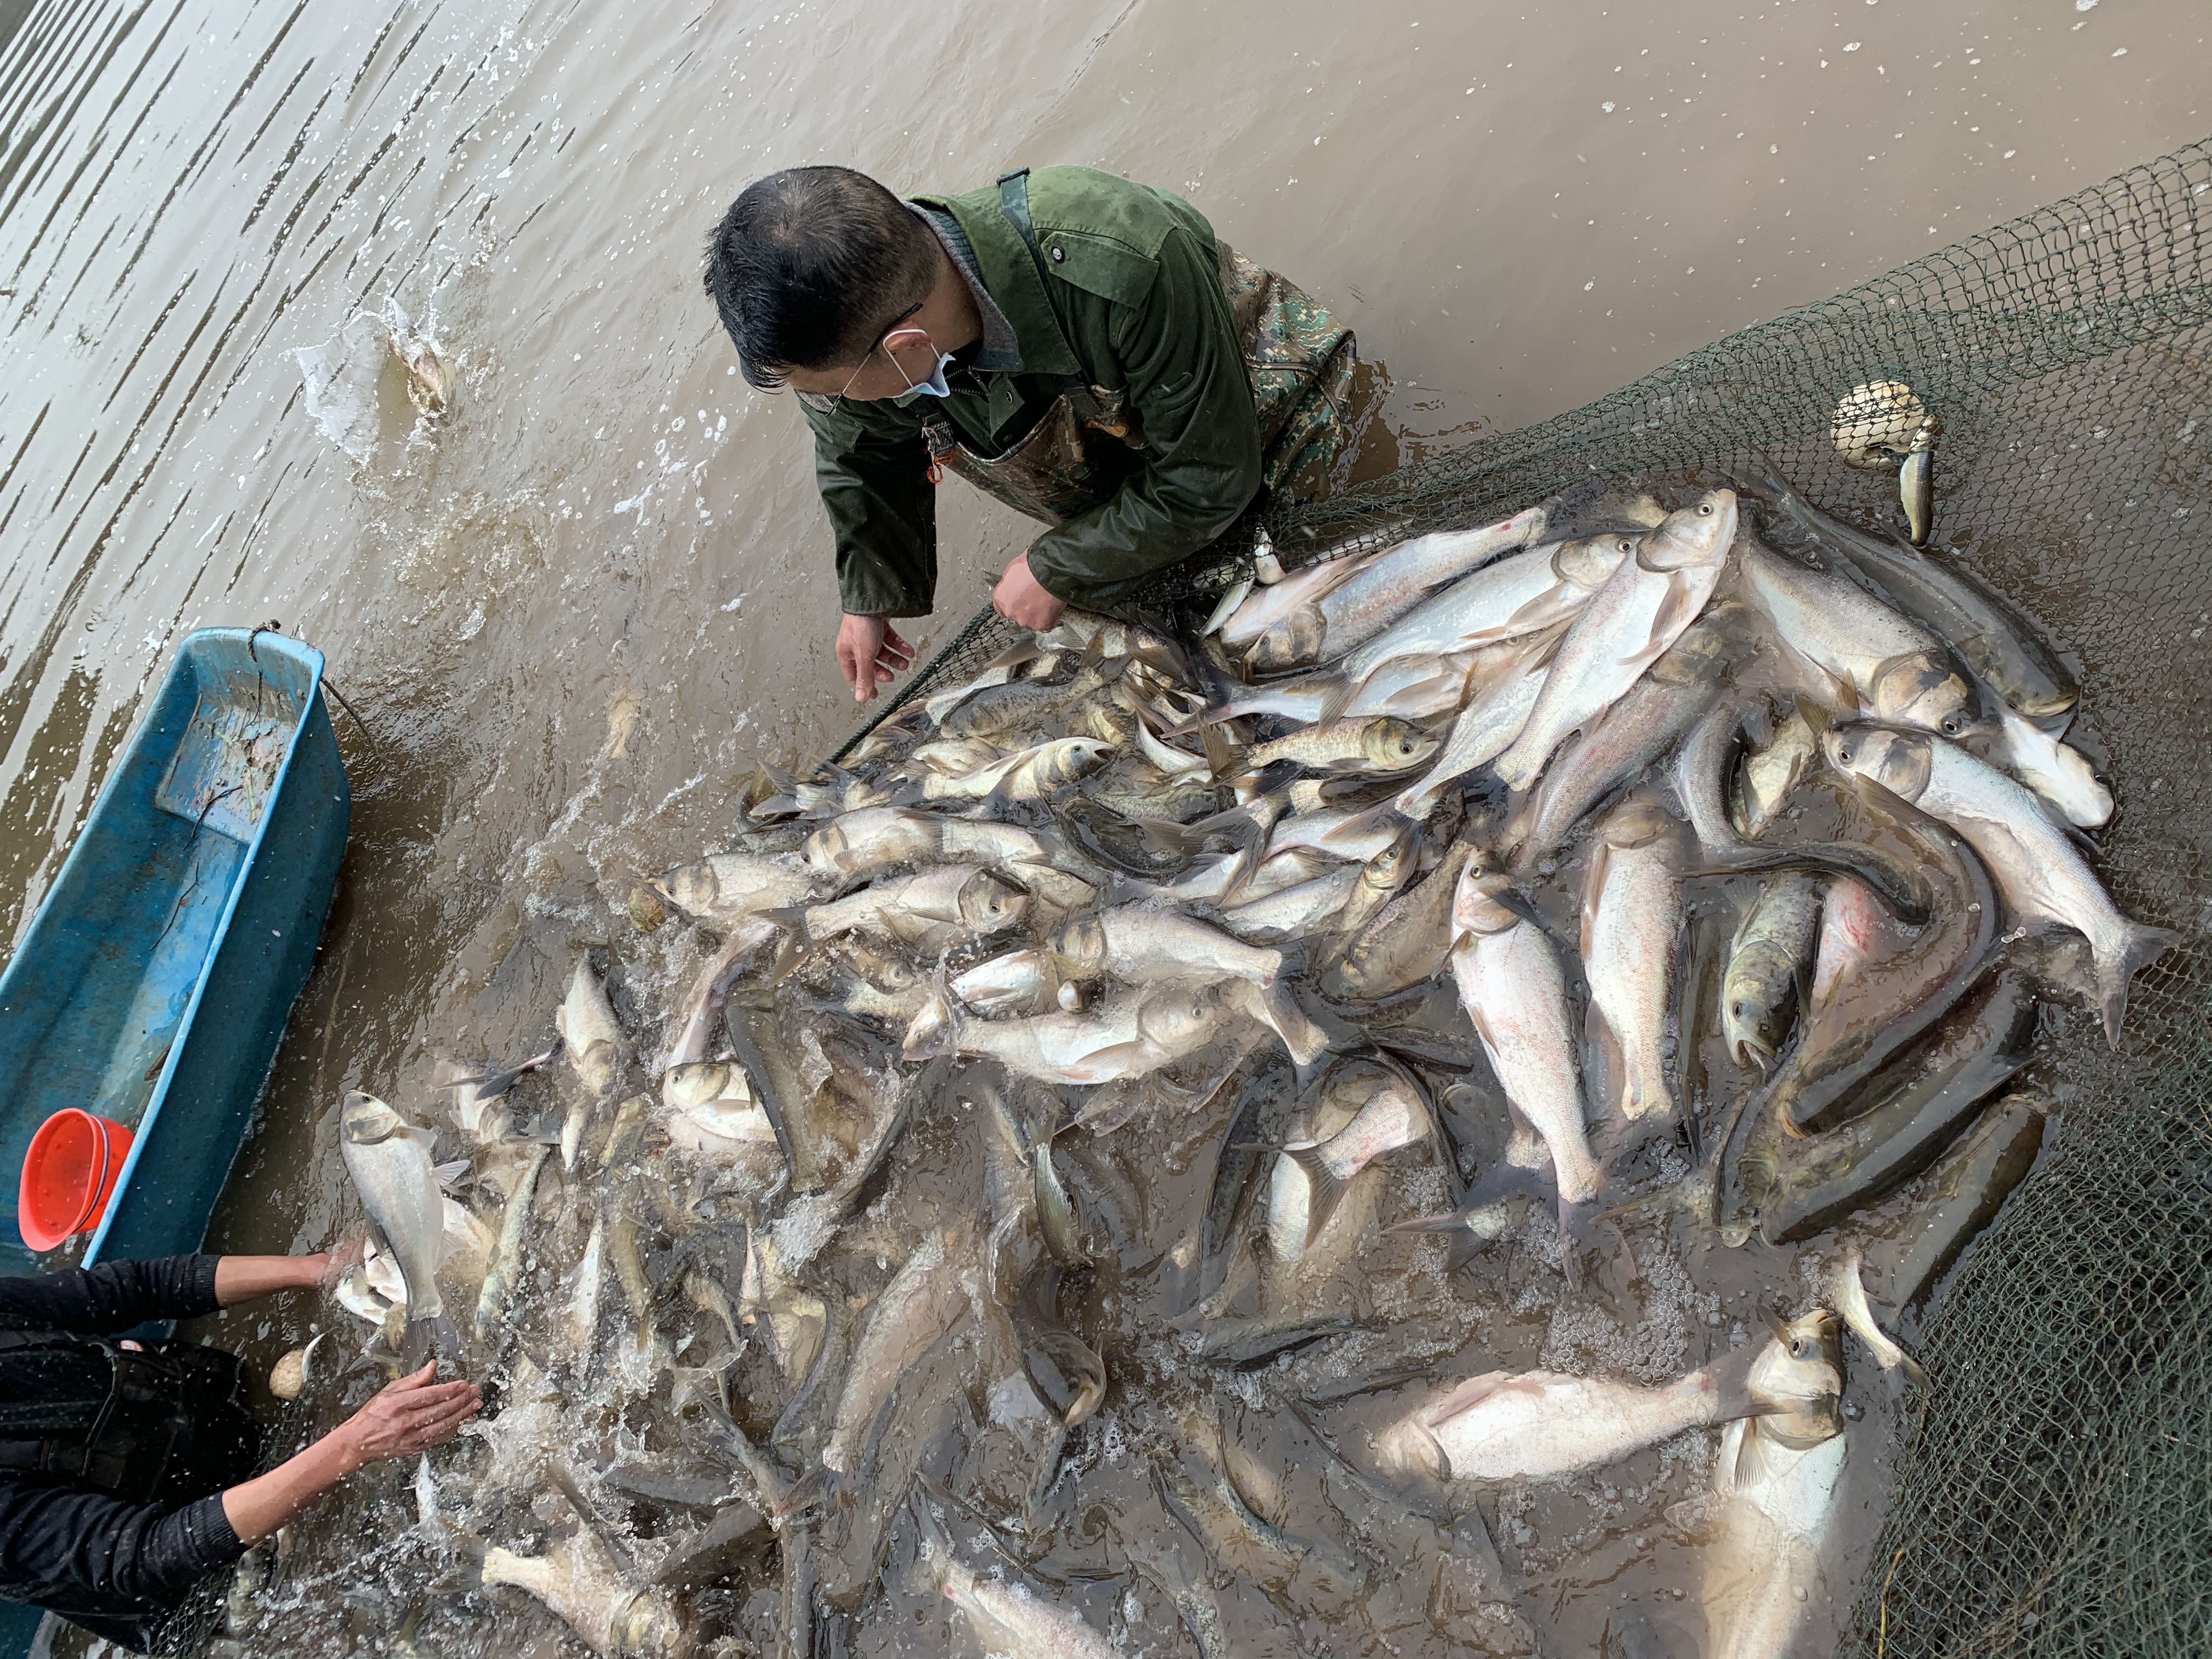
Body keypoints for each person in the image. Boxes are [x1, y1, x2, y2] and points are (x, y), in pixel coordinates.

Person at [702, 163, 1361, 701]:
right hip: (1129, 459)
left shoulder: (1118, 258)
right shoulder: (855, 332)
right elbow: (859, 453)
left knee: (1322, 589)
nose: (825, 404)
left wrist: (1055, 565)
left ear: (905, 349)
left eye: (827, 390)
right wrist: (869, 596)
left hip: (1264, 410)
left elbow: (1212, 475)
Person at [0, 1251, 480, 1651]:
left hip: (218, 1423)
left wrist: (316, 1268)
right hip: (211, 1585)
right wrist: (354, 1444)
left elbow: (133, 1286)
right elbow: (149, 1553)